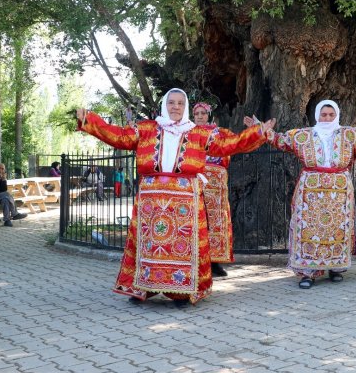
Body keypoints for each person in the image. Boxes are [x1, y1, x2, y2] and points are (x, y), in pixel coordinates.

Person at [76, 88, 274, 306]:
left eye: (180, 103)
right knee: (149, 245)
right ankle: (143, 287)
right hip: (151, 200)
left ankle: (181, 291)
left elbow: (230, 144)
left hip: (185, 199)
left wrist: (257, 132)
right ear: (165, 104)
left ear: (185, 106)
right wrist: (90, 120)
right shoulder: (146, 129)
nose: (176, 107)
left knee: (182, 246)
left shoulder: (198, 133)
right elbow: (119, 136)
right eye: (172, 103)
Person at [266, 99, 356, 289]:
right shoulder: (302, 135)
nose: (327, 118)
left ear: (337, 115)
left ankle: (335, 268)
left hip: (339, 190)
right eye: (323, 115)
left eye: (331, 115)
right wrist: (263, 130)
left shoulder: (349, 134)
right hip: (310, 191)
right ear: (317, 115)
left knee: (337, 229)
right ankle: (307, 272)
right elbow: (279, 141)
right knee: (309, 228)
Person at [193, 102, 232, 277]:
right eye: (197, 113)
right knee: (196, 220)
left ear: (208, 114)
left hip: (216, 184)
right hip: (195, 182)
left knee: (216, 222)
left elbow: (231, 147)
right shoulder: (188, 133)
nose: (200, 116)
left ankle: (214, 262)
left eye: (203, 113)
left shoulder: (219, 133)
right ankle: (196, 260)